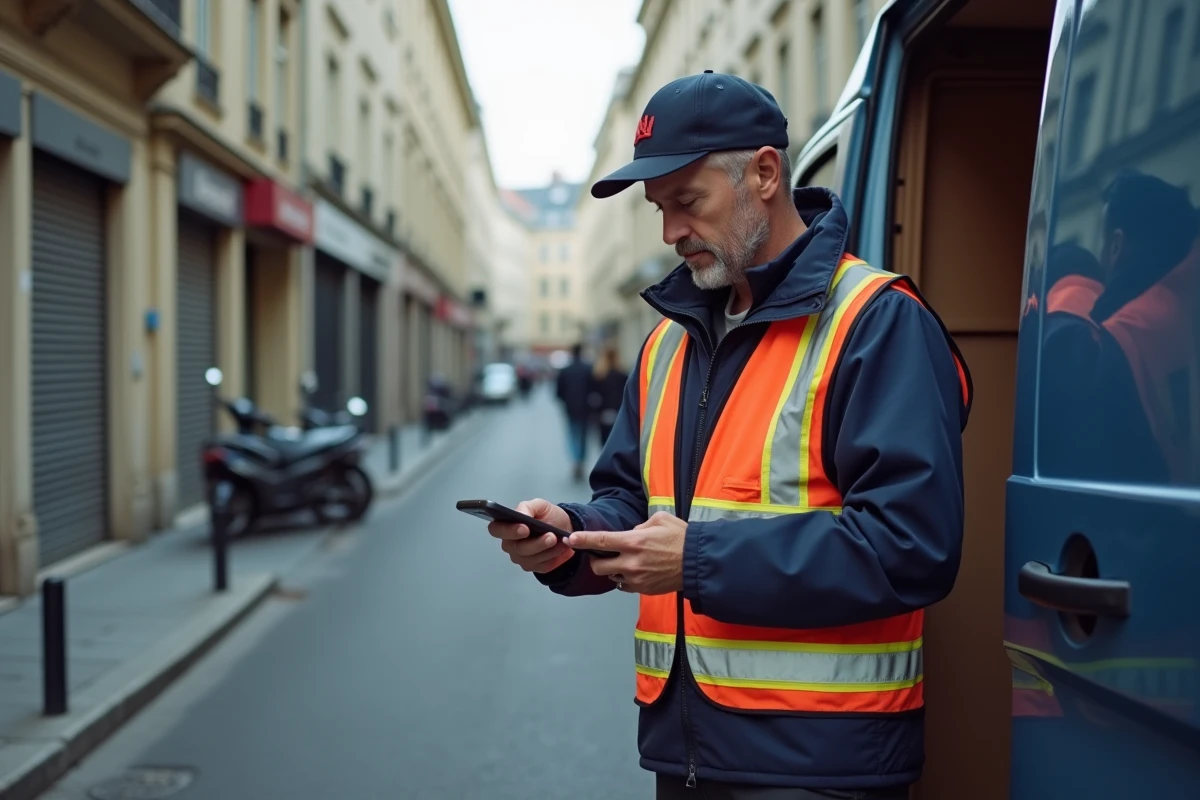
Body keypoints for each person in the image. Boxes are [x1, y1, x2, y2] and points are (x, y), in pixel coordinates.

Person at [489, 71, 972, 799]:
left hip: (821, 765)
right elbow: (629, 503)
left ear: (765, 174)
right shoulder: (665, 347)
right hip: (687, 758)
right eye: (658, 209)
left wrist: (699, 560)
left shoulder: (875, 321)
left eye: (687, 202)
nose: (670, 232)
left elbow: (913, 547)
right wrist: (567, 540)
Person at [555, 344, 594, 481]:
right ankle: (581, 460)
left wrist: (566, 399)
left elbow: (558, 392)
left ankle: (575, 460)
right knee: (584, 436)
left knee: (572, 434)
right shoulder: (588, 368)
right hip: (586, 408)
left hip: (570, 408)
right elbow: (594, 389)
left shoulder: (565, 370)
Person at [589, 346, 629, 447]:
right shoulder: (623, 375)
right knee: (618, 440)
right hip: (619, 411)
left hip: (603, 412)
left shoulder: (599, 376)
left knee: (605, 442)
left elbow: (594, 395)